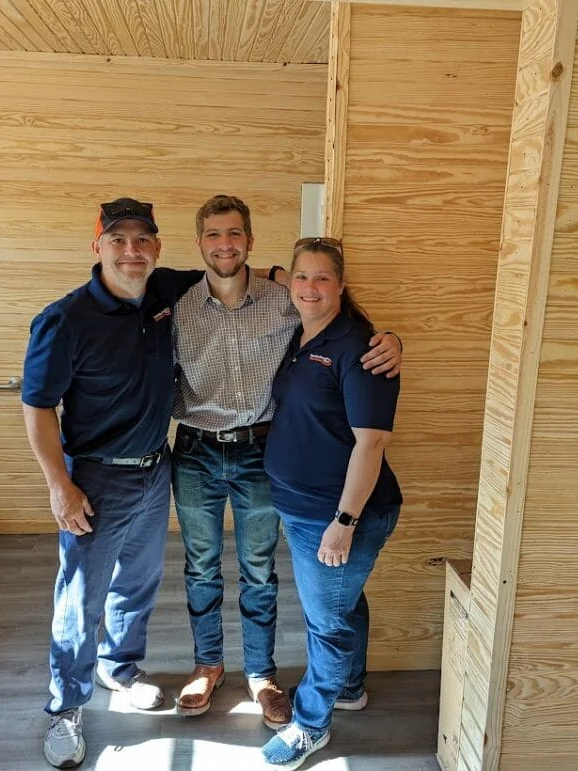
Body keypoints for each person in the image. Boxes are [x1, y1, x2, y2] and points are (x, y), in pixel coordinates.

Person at [170, 196, 403, 729]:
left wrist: (391, 340)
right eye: (212, 235)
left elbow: (344, 322)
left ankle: (261, 675)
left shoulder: (285, 300)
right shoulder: (176, 305)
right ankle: (207, 665)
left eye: (234, 234)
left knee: (259, 572)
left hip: (258, 452)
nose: (224, 244)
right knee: (200, 568)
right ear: (200, 242)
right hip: (195, 451)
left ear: (251, 241)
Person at [22, 198, 205, 768]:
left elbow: (230, 268)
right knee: (81, 598)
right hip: (95, 480)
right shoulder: (65, 319)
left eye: (143, 239)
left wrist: (279, 275)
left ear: (157, 247)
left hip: (157, 469)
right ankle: (65, 709)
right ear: (97, 246)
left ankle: (119, 669)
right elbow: (38, 408)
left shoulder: (164, 293)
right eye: (119, 240)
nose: (132, 251)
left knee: (137, 586)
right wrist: (60, 485)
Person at [258, 236, 403, 770]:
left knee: (328, 622)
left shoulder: (361, 350)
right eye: (302, 277)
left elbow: (372, 443)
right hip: (303, 509)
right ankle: (352, 688)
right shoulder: (305, 331)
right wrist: (278, 271)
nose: (310, 287)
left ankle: (311, 725)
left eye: (323, 278)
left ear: (342, 287)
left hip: (339, 515)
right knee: (344, 603)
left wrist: (343, 522)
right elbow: (276, 275)